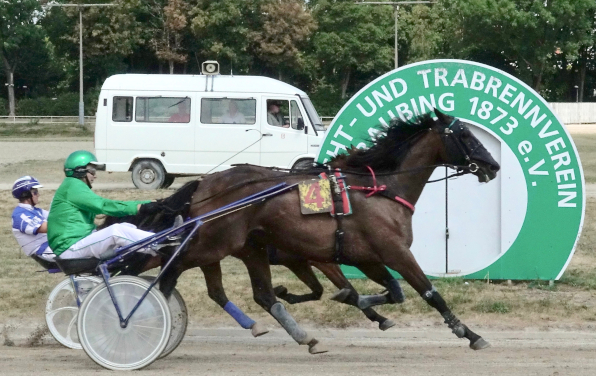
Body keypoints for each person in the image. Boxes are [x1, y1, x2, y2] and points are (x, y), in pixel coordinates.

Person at [47, 150, 163, 260]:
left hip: (76, 242)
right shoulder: (73, 187)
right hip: (69, 247)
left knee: (128, 227)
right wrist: (141, 207)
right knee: (116, 231)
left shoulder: (72, 186)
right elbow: (104, 206)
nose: (95, 175)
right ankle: (160, 244)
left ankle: (151, 246)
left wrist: (144, 203)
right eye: (92, 171)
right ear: (80, 171)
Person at [11, 176, 55, 261]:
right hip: (44, 251)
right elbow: (45, 228)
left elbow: (55, 217)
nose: (38, 194)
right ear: (26, 195)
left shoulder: (36, 210)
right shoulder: (20, 215)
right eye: (35, 192)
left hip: (51, 245)